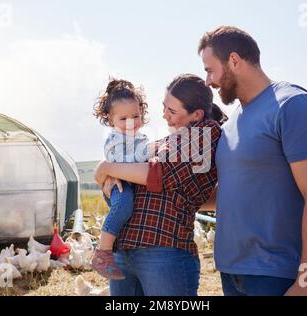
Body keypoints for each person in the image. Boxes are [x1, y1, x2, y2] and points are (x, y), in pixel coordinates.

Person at [198, 26, 307, 296]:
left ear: (234, 61)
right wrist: (159, 192)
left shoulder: (294, 106)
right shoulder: (232, 122)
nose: (207, 81)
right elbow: (230, 192)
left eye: (210, 69)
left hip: (275, 276)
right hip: (232, 273)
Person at [94, 74, 227, 296]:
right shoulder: (162, 142)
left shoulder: (206, 133)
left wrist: (106, 168)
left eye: (172, 111)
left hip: (162, 250)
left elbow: (159, 175)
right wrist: (108, 176)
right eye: (164, 108)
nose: (164, 116)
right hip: (124, 251)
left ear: (197, 115)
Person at [91, 78, 153, 280]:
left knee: (128, 209)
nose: (131, 123)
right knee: (124, 206)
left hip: (124, 181)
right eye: (123, 119)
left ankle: (117, 249)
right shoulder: (113, 139)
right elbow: (120, 162)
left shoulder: (140, 137)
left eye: (135, 116)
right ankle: (103, 252)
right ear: (111, 120)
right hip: (119, 186)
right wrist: (146, 156)